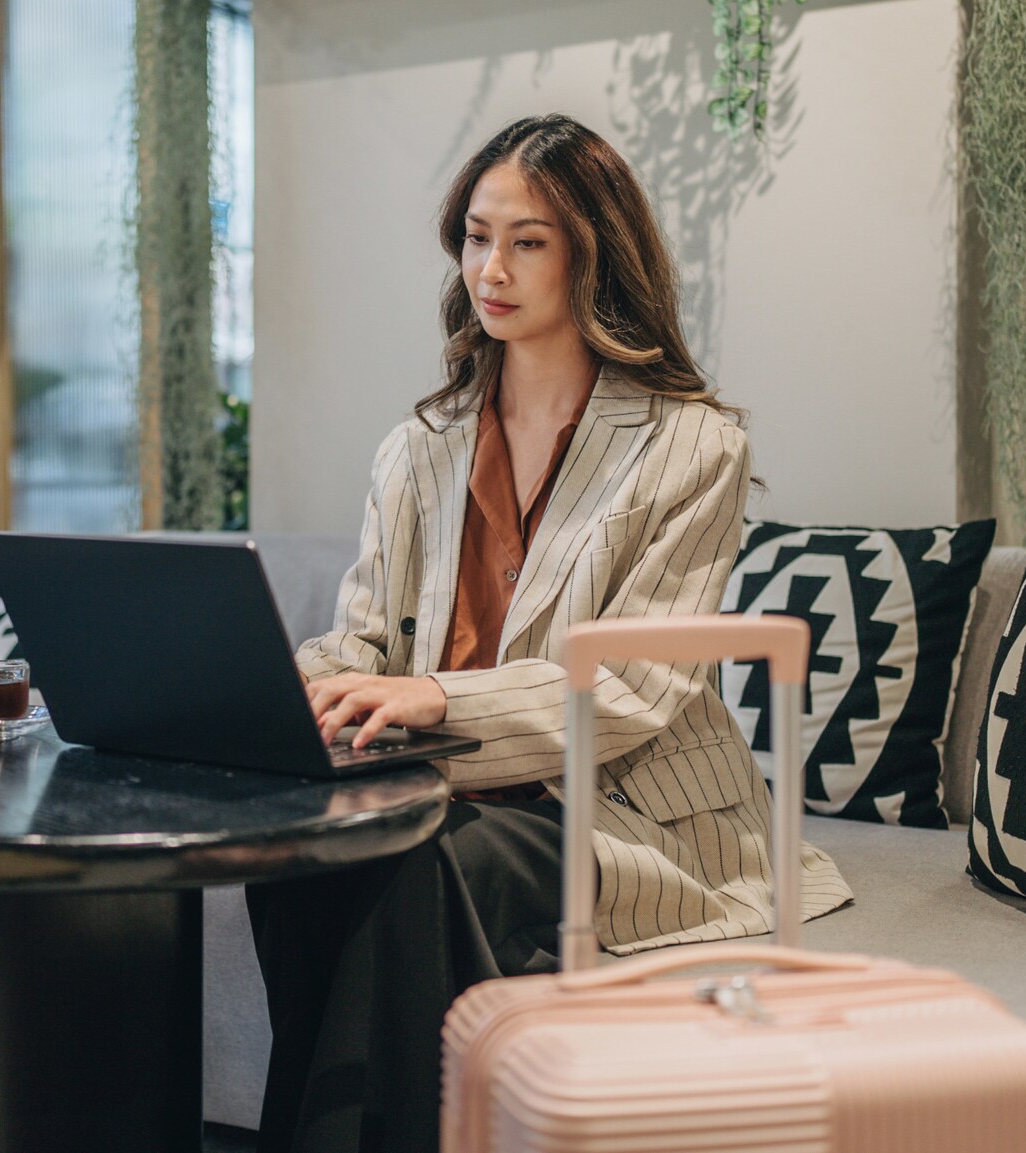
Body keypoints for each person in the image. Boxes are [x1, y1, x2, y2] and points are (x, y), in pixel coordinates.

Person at [245, 113, 852, 1153]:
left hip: (616, 810)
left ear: (592, 257)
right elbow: (363, 639)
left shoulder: (692, 445)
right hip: (436, 788)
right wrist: (300, 685)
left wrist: (435, 697)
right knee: (298, 853)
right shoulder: (418, 446)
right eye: (477, 237)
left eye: (527, 242)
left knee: (416, 866)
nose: (491, 269)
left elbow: (634, 689)